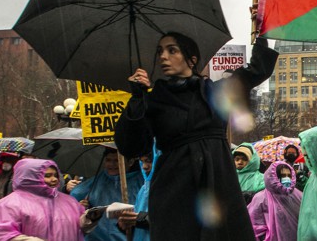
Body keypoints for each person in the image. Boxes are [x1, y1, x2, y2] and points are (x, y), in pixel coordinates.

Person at [115, 29, 278, 241]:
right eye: (160, 51)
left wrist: (261, 34)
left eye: (172, 50)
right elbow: (131, 146)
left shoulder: (216, 92)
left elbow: (256, 71)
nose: (163, 56)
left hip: (217, 183)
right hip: (175, 189)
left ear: (191, 60)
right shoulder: (153, 100)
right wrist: (137, 99)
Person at [0, 159, 101, 240]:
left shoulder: (69, 202)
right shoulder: (9, 205)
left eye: (55, 175)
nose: (54, 179)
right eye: (47, 176)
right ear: (30, 177)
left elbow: (79, 228)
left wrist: (89, 219)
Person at [69, 148, 144, 241]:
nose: (112, 165)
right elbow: (76, 195)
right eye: (108, 160)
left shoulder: (141, 182)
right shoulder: (98, 179)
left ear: (130, 162)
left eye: (116, 161)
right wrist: (82, 206)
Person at [247, 161, 303, 241]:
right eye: (283, 175)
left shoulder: (297, 195)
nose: (286, 178)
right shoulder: (261, 198)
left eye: (288, 175)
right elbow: (255, 222)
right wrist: (265, 237)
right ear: (272, 176)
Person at [117, 151, 159, 241]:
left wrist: (140, 219)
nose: (144, 166)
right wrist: (126, 224)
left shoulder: (170, 187)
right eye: (142, 161)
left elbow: (171, 221)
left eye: (148, 161)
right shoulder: (143, 190)